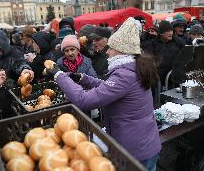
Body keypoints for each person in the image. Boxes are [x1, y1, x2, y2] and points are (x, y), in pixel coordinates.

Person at [46, 17, 161, 171]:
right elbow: (110, 89)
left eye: (111, 48)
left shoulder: (124, 75)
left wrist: (58, 75)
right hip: (144, 143)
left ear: (121, 51)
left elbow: (84, 99)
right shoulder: (133, 68)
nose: (108, 52)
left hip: (134, 151)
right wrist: (84, 78)